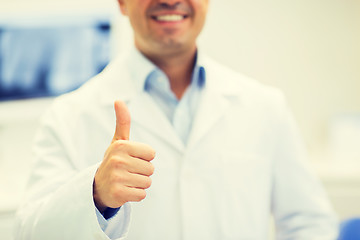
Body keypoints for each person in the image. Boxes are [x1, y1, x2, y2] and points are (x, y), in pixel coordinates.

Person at [15, 0, 338, 239]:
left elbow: (309, 223)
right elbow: (28, 233)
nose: (170, 0)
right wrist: (96, 196)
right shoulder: (70, 115)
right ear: (122, 3)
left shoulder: (265, 106)